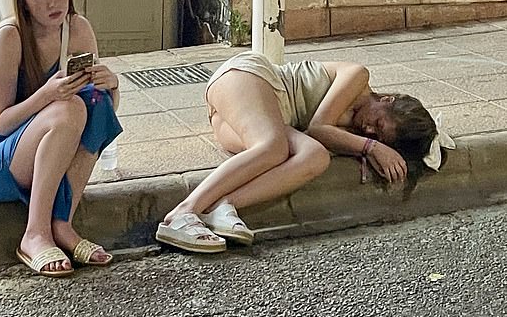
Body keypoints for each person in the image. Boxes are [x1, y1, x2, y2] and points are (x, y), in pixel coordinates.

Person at [156, 50, 445, 253]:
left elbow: (317, 143)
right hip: (251, 79)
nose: (370, 130)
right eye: (379, 123)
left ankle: (220, 207)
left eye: (379, 135)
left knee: (315, 157)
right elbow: (319, 127)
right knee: (273, 147)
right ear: (388, 99)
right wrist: (372, 147)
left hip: (250, 121)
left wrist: (368, 149)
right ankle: (183, 212)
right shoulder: (357, 77)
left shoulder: (357, 133)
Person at [0, 0, 122, 277]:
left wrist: (111, 86)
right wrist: (47, 95)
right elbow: (1, 123)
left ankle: (62, 223)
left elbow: (101, 115)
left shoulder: (78, 29)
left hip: (49, 140)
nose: (53, 3)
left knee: (93, 103)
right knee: (67, 108)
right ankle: (34, 233)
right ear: (22, 0)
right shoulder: (8, 38)